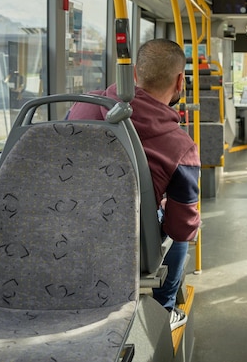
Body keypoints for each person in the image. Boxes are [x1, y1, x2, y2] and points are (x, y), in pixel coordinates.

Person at [68, 38, 201, 331]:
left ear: (134, 75)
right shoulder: (181, 146)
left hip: (63, 228)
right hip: (125, 244)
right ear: (180, 81)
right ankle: (163, 310)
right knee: (177, 234)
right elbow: (182, 229)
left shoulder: (82, 107)